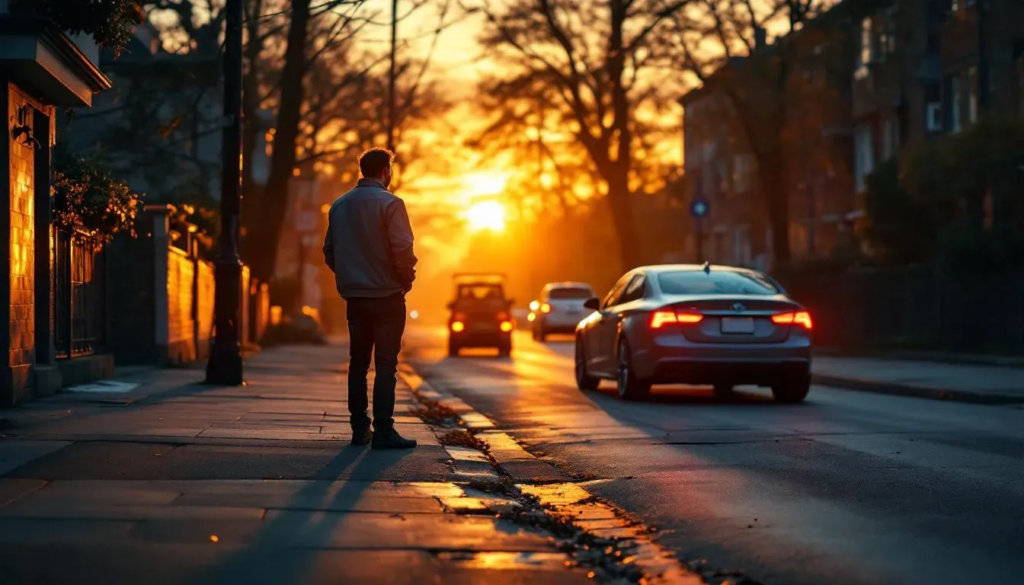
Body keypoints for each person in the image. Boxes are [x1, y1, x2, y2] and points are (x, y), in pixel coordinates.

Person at [323, 148, 417, 449]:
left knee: (358, 363)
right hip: (388, 295)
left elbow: (329, 251)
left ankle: (359, 429)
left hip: (355, 296)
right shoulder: (391, 204)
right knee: (386, 364)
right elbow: (402, 248)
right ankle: (384, 430)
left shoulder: (339, 205)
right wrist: (405, 279)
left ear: (362, 170)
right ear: (386, 171)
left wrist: (349, 275)